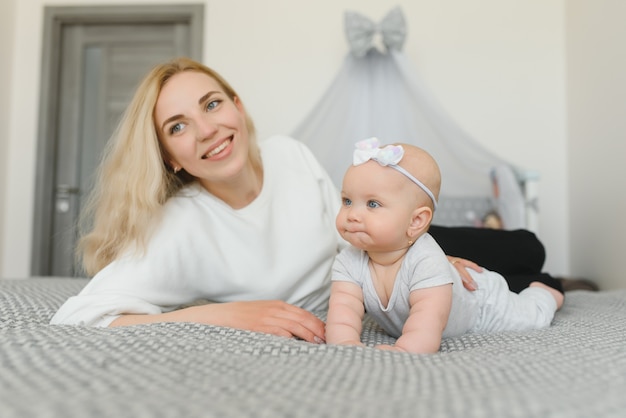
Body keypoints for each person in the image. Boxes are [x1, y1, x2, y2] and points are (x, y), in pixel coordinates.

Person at [50, 57, 579, 344]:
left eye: (213, 104)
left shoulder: (288, 153)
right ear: (169, 157)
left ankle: (548, 287)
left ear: (237, 105)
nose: (208, 129)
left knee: (525, 248)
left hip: (369, 258)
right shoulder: (179, 227)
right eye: (179, 126)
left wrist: (423, 257)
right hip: (353, 290)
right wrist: (222, 315)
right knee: (534, 273)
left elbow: (344, 229)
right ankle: (548, 292)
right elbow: (78, 318)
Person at [325, 138, 564, 354]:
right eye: (347, 201)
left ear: (415, 221)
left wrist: (406, 349)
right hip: (460, 294)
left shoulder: (426, 260)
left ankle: (546, 293)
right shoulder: (349, 260)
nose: (352, 214)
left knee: (532, 317)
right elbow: (343, 310)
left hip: (481, 304)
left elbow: (428, 321)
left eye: (372, 204)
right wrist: (344, 343)